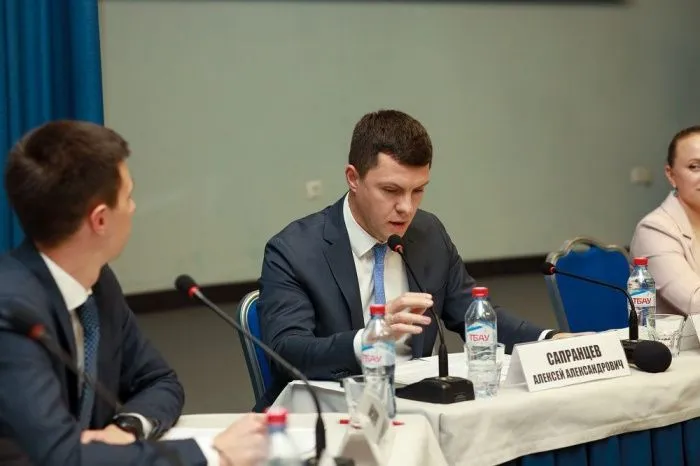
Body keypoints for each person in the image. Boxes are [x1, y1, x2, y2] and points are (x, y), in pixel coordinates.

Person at [257, 109, 573, 410]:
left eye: (418, 190)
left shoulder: (427, 233)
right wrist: (368, 338)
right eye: (391, 190)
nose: (406, 208)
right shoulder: (294, 250)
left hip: (417, 404)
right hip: (330, 408)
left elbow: (474, 313)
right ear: (353, 178)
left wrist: (550, 340)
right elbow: (287, 351)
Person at [0, 121, 267, 465]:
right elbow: (60, 458)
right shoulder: (11, 313)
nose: (133, 208)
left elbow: (159, 381)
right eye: (127, 196)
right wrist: (213, 454)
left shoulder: (98, 283)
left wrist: (126, 428)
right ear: (100, 220)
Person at [631, 125, 700, 316]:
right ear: (671, 174)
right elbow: (695, 302)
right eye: (695, 166)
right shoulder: (653, 229)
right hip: (678, 336)